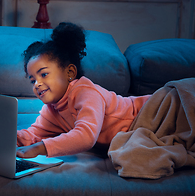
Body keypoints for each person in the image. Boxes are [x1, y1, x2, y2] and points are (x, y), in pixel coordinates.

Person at [16, 22, 151, 158]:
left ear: (70, 72)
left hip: (149, 112)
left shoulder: (86, 92)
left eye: (44, 74)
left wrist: (41, 148)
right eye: (33, 80)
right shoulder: (51, 109)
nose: (37, 84)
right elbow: (32, 134)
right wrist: (9, 137)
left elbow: (85, 136)